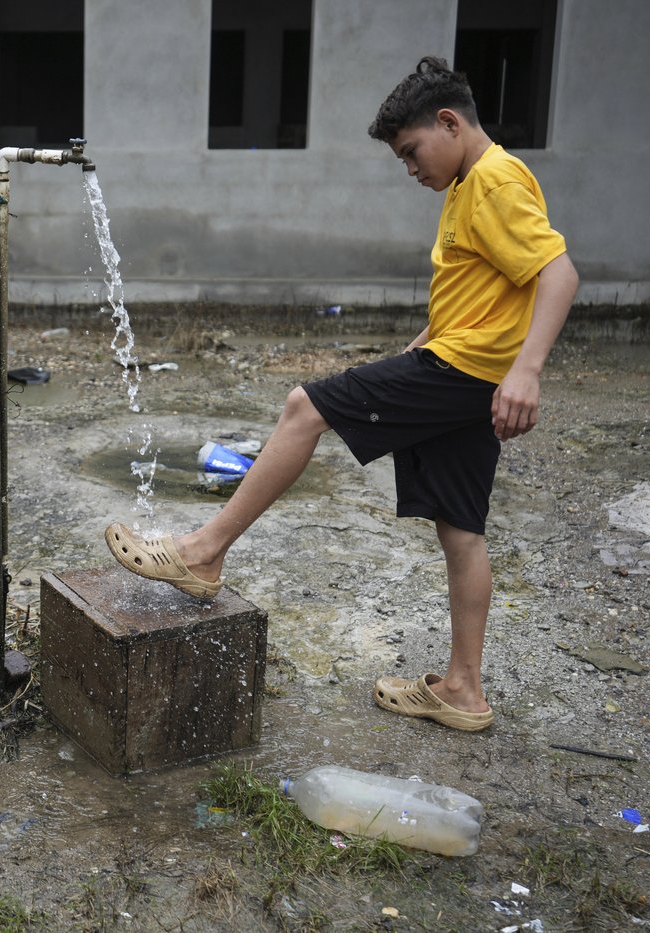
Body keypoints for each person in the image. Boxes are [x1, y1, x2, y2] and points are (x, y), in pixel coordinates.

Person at [105, 56, 578, 732]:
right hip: (462, 368)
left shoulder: (496, 181)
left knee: (306, 406)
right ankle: (464, 691)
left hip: (464, 373)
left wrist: (527, 371)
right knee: (462, 530)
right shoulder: (474, 183)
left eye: (413, 152)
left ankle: (203, 551)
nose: (411, 169)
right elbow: (492, 289)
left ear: (449, 122)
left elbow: (558, 274)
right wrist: (424, 341)